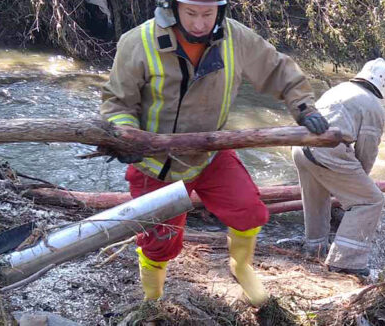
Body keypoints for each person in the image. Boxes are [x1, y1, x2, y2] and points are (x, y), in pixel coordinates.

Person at [99, 0, 328, 306]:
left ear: (219, 11)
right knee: (160, 244)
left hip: (211, 154)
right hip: (155, 164)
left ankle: (241, 267)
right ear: (173, 8)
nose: (199, 24)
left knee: (250, 211)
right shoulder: (138, 42)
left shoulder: (237, 38)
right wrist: (124, 136)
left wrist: (303, 107)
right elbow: (117, 103)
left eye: (208, 14)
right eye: (191, 13)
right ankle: (152, 299)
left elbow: (277, 68)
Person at [291, 58, 385, 277]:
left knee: (316, 199)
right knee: (372, 200)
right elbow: (367, 150)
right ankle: (345, 261)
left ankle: (314, 248)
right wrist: (358, 186)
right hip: (328, 151)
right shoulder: (374, 105)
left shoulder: (341, 89)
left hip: (300, 146)